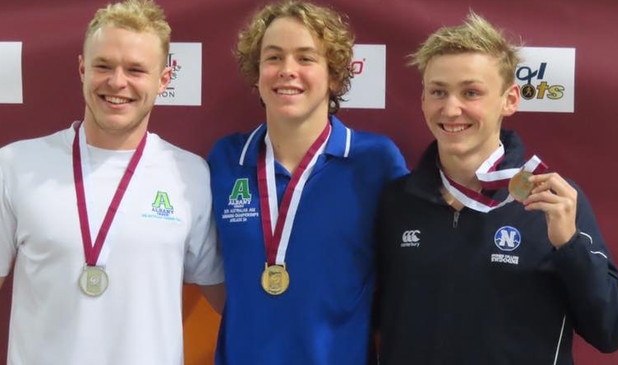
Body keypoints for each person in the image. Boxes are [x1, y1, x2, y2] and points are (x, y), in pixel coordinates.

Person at [376, 12, 618, 365]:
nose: (451, 108)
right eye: (438, 91)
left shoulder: (550, 201)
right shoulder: (396, 202)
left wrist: (569, 245)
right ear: (423, 99)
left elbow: (613, 331)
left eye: (471, 92)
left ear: (510, 99)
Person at [0, 0, 225, 364]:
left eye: (136, 69)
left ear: (164, 79)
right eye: (103, 65)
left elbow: (234, 303)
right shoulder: (15, 165)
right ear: (82, 69)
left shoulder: (190, 175)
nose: (117, 82)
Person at [207, 1, 408, 364]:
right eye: (273, 58)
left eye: (305, 58)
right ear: (256, 72)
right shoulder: (226, 159)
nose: (287, 71)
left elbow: (411, 271)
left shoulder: (375, 161)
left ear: (334, 75)